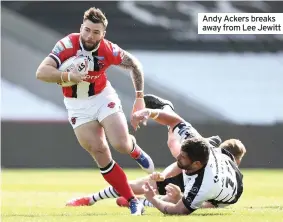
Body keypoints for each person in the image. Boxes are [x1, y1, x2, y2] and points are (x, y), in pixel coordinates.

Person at [36, 7, 155, 215]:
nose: (90, 36)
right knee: (99, 152)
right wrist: (68, 77)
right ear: (81, 27)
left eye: (96, 32)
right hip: (76, 105)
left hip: (102, 98)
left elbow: (135, 65)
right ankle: (131, 199)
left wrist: (139, 99)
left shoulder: (108, 49)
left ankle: (133, 148)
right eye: (87, 30)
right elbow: (41, 72)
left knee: (120, 144)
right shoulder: (66, 45)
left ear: (103, 34)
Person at [66, 95, 246, 211]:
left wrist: (155, 199)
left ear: (197, 164)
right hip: (206, 173)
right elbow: (177, 124)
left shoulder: (205, 182)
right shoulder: (204, 149)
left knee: (192, 201)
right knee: (173, 148)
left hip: (208, 185)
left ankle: (136, 201)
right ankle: (92, 199)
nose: (178, 159)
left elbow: (179, 211)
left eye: (184, 158)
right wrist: (149, 112)